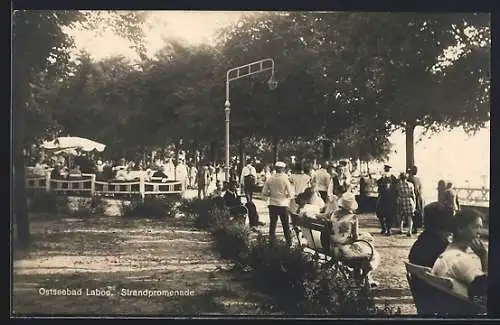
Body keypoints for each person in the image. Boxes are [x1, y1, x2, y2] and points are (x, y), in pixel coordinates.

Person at [432, 208, 488, 299]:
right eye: (475, 227)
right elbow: (486, 290)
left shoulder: (447, 252)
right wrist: (484, 256)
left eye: (481, 227)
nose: (479, 232)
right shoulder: (460, 260)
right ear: (460, 229)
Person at [262, 161, 295, 246]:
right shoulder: (285, 179)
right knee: (285, 225)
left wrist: (272, 194)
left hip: (272, 204)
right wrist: (285, 195)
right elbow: (290, 194)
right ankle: (288, 242)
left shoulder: (270, 178)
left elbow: (264, 192)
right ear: (283, 169)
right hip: (283, 204)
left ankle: (271, 242)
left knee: (272, 224)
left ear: (275, 169)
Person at [376, 164, 398, 236]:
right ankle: (385, 228)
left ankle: (388, 229)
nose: (387, 170)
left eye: (387, 169)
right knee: (381, 213)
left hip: (389, 199)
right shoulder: (383, 177)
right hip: (384, 198)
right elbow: (378, 184)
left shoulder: (392, 177)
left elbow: (396, 187)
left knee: (389, 214)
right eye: (386, 169)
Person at [396, 172, 417, 237]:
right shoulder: (410, 184)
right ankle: (409, 231)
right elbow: (413, 195)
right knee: (410, 217)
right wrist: (415, 203)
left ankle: (400, 229)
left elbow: (398, 194)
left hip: (402, 200)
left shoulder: (399, 184)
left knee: (401, 216)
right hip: (409, 201)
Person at [408, 165, 424, 234]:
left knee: (412, 213)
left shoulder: (410, 179)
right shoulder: (419, 179)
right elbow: (421, 189)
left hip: (413, 198)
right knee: (417, 212)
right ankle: (415, 228)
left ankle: (412, 228)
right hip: (419, 197)